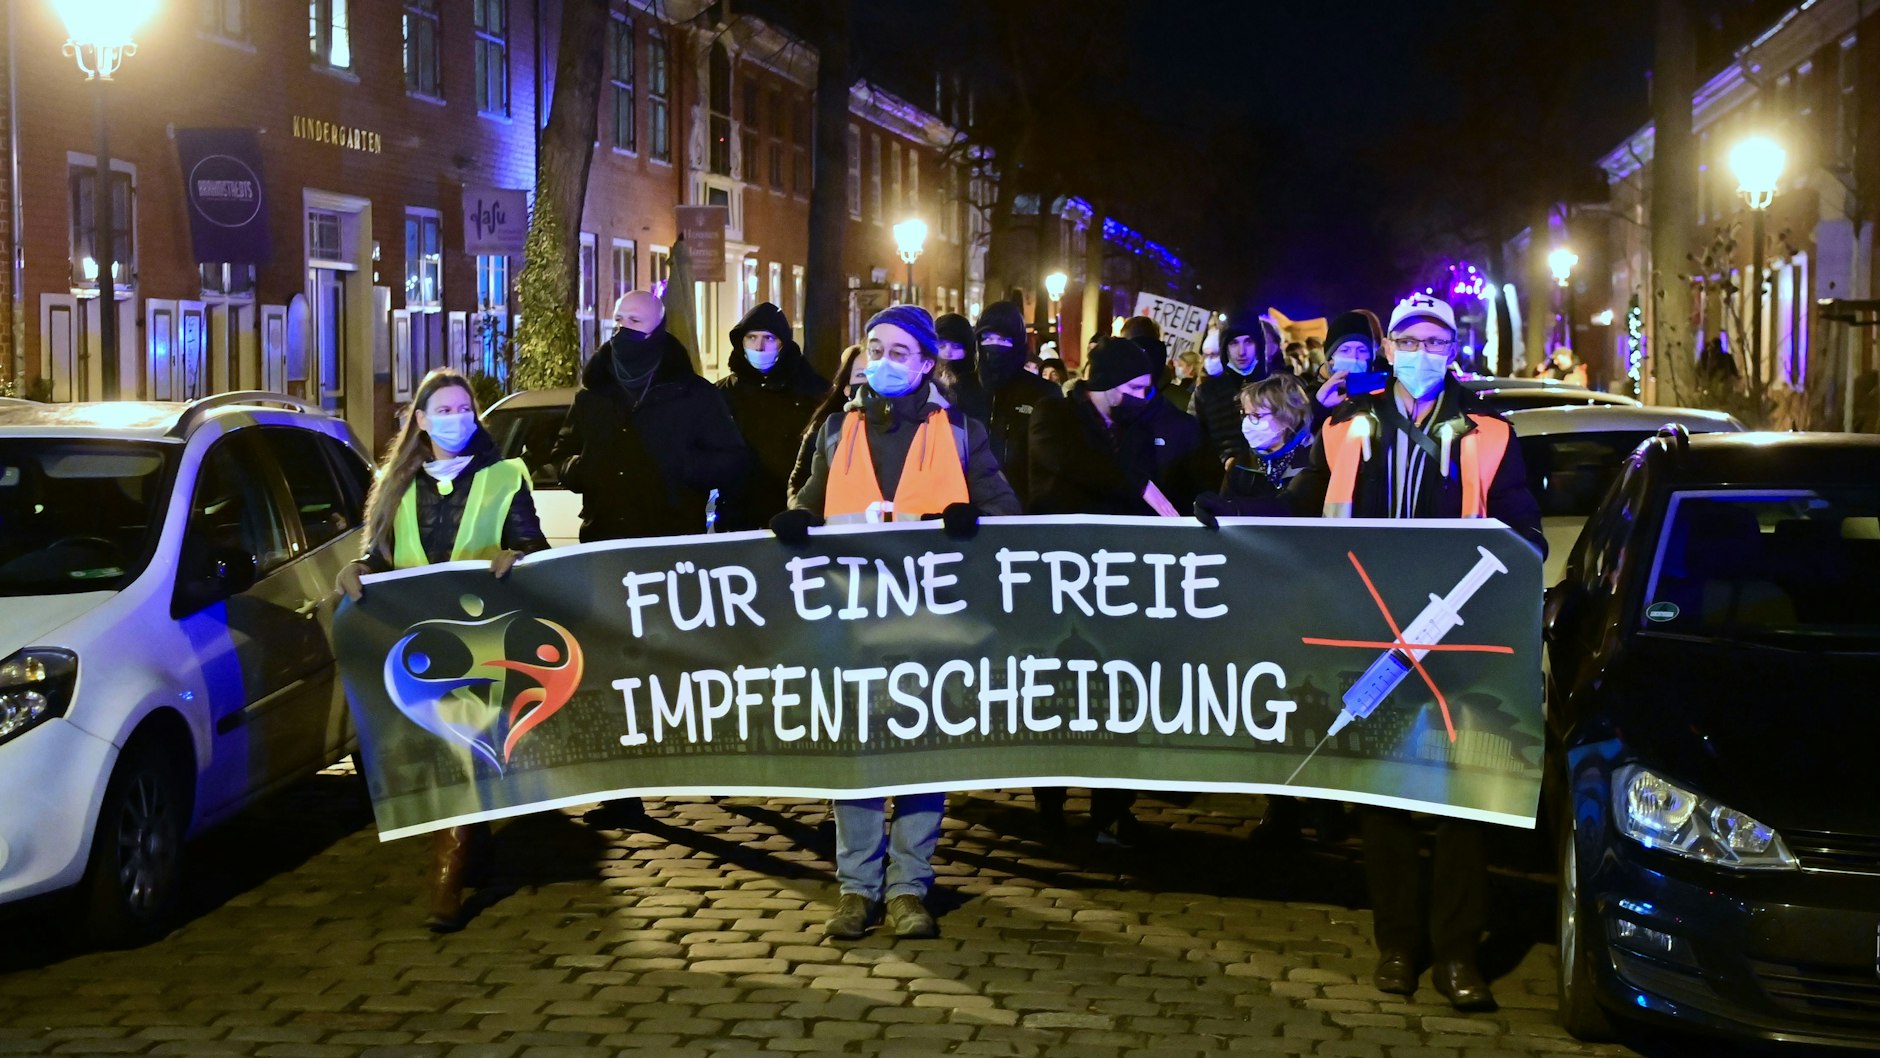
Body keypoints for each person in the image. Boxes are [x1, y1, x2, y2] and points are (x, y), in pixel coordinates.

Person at [1282, 293, 1543, 1012]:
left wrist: (1507, 566)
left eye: (1437, 340)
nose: (1424, 352)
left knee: (1464, 796)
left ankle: (1458, 952)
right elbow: (1302, 511)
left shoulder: (1491, 432)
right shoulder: (1344, 425)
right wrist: (1232, 512)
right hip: (1368, 632)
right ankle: (1398, 945)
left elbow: (1523, 526)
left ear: (1452, 350)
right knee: (1383, 797)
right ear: (1390, 349)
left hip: (1459, 638)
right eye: (1411, 340)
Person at [775, 305, 1021, 941]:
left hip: (930, 624)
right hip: (852, 621)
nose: (883, 361)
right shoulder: (837, 429)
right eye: (875, 348)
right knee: (855, 756)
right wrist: (797, 517)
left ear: (927, 363)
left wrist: (974, 519)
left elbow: (1006, 513)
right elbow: (811, 498)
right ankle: (857, 889)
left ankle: (910, 887)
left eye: (899, 352)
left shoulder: (961, 431)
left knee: (921, 757)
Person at [337, 368, 548, 932]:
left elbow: (533, 544)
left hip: (485, 642)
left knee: (459, 748)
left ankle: (447, 876)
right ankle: (473, 843)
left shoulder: (503, 477)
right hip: (418, 643)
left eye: (464, 409)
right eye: (445, 410)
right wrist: (357, 570)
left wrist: (518, 556)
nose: (457, 419)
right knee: (446, 753)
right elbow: (379, 556)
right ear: (422, 421)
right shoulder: (396, 485)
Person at [1029, 337, 1213, 845]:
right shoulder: (1054, 416)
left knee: (1118, 691)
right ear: (1108, 383)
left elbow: (1147, 483)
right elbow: (1080, 471)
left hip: (1119, 577)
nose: (1143, 396)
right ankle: (1050, 800)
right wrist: (1132, 487)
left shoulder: (1136, 427)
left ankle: (1111, 807)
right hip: (1060, 574)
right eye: (1135, 387)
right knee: (1058, 690)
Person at [551, 290, 749, 542]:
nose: (623, 329)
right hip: (604, 538)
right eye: (618, 320)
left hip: (672, 540)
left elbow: (732, 459)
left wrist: (681, 467)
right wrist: (583, 470)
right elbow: (562, 453)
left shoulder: (693, 394)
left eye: (634, 321)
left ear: (657, 328)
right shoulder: (593, 393)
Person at [715, 302, 830, 531]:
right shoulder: (722, 393)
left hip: (795, 509)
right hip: (738, 513)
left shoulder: (812, 390)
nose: (759, 347)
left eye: (768, 338)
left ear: (783, 343)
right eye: (751, 337)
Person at [971, 301, 1065, 510]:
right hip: (972, 509)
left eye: (1003, 339)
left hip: (1027, 508)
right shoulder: (963, 391)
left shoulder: (1042, 393)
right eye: (988, 338)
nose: (994, 346)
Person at [1191, 308, 1273, 467]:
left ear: (1258, 344)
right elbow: (1195, 445)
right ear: (1224, 347)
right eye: (1234, 343)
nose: (1242, 351)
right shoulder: (1206, 393)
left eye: (1248, 341)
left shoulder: (1275, 387)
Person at [788, 343, 867, 502]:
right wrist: (802, 511)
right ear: (846, 388)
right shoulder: (829, 429)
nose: (869, 382)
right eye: (861, 375)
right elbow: (801, 486)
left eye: (874, 373)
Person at [1314, 309, 1389, 413]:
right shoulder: (1313, 393)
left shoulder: (1384, 387)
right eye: (1345, 350)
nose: (1354, 357)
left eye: (1362, 350)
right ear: (1331, 357)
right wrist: (1320, 406)